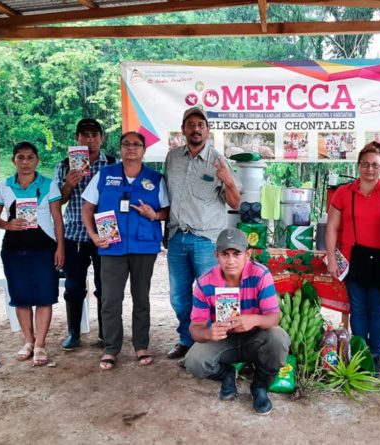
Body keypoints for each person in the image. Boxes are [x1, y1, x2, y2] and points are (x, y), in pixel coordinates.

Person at [81, 131, 169, 370]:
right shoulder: (104, 174)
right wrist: (93, 235)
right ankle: (111, 348)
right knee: (110, 299)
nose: (131, 148)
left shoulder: (155, 178)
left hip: (144, 246)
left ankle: (141, 345)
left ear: (144, 150)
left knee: (141, 298)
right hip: (111, 247)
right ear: (120, 148)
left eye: (137, 145)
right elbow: (87, 208)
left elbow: (168, 212)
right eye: (126, 144)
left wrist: (155, 215)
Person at [163, 106, 241, 360]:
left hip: (206, 240)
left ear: (208, 130)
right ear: (184, 129)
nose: (196, 129)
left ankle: (217, 343)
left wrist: (228, 180)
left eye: (201, 125)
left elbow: (235, 203)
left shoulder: (218, 160)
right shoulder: (172, 158)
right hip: (177, 237)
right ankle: (187, 340)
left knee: (213, 294)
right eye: (191, 124)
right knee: (179, 297)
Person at [185, 228, 289, 415]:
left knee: (279, 338)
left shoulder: (260, 275)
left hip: (255, 337)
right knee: (194, 362)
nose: (231, 260)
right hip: (223, 339)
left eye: (236, 254)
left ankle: (259, 385)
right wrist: (209, 333)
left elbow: (274, 318)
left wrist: (254, 319)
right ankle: (227, 374)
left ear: (247, 254)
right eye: (225, 254)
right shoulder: (204, 282)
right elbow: (195, 328)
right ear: (216, 255)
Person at [326, 142, 380, 376]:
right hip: (352, 258)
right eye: (365, 164)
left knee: (377, 309)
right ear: (358, 166)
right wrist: (331, 257)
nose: (370, 169)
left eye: (375, 165)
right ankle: (359, 353)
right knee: (357, 309)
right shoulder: (344, 192)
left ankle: (376, 356)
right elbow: (332, 227)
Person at [0, 142, 65, 367]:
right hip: (13, 249)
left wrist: (60, 247)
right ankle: (28, 341)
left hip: (44, 248)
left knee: (44, 297)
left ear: (37, 160)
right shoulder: (4, 186)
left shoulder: (49, 185)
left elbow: (57, 218)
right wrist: (7, 224)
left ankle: (41, 344)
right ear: (13, 160)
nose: (25, 162)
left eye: (30, 158)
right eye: (20, 157)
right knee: (21, 298)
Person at [54, 118, 116, 351]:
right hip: (75, 234)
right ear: (76, 139)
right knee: (73, 287)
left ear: (101, 138)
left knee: (105, 287)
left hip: (105, 234)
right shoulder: (64, 165)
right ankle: (74, 333)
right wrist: (68, 184)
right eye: (84, 135)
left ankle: (104, 333)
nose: (89, 140)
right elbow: (58, 201)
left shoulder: (111, 164)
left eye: (94, 135)